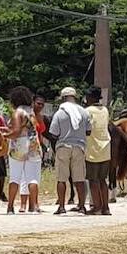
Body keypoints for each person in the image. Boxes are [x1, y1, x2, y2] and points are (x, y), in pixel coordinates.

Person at [48, 87, 90, 215]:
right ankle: (82, 206)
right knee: (79, 178)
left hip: (63, 146)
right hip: (79, 147)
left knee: (62, 179)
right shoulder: (83, 112)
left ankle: (61, 206)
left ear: (63, 98)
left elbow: (53, 133)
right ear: (74, 97)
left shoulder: (60, 113)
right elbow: (88, 131)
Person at [1, 86, 42, 214]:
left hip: (19, 146)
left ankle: (10, 206)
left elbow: (17, 132)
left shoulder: (17, 112)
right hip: (33, 145)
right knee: (32, 178)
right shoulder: (31, 112)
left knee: (15, 177)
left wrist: (5, 135)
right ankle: (34, 205)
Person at [84, 87, 111, 215]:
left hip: (92, 148)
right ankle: (106, 207)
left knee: (93, 180)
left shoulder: (87, 111)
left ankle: (97, 206)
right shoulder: (105, 110)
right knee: (102, 180)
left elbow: (86, 130)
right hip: (105, 148)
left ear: (91, 98)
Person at [19, 94, 48, 213]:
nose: (40, 106)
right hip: (25, 148)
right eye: (38, 103)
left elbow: (40, 134)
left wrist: (43, 146)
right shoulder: (27, 115)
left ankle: (33, 204)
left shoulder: (40, 117)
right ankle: (23, 204)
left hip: (36, 149)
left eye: (42, 104)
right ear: (33, 102)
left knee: (35, 177)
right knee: (23, 177)